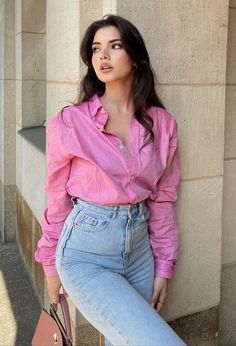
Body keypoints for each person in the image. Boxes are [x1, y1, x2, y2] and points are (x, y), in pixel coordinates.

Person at [35, 14, 186, 346]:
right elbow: (57, 197)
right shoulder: (70, 123)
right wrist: (49, 263)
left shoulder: (162, 124)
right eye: (96, 48)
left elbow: (162, 199)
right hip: (85, 252)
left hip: (140, 252)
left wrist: (164, 265)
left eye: (115, 46)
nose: (102, 56)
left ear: (134, 57)